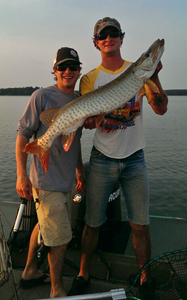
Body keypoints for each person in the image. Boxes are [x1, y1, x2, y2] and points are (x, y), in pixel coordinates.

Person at [68, 17, 168, 296]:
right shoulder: (89, 78)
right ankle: (83, 273)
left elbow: (160, 108)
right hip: (102, 159)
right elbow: (92, 118)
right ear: (97, 42)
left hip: (135, 159)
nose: (108, 38)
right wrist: (90, 121)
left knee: (140, 225)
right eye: (103, 35)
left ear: (121, 38)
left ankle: (145, 278)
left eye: (113, 33)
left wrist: (153, 74)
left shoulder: (137, 73)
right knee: (92, 223)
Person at [16, 47, 85, 298]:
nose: (68, 71)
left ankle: (29, 271)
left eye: (73, 67)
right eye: (62, 67)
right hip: (46, 182)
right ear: (55, 70)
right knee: (60, 238)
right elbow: (23, 135)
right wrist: (21, 175)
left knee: (45, 227)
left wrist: (79, 170)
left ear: (79, 71)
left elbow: (74, 140)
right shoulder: (41, 96)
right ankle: (57, 291)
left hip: (66, 180)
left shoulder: (79, 99)